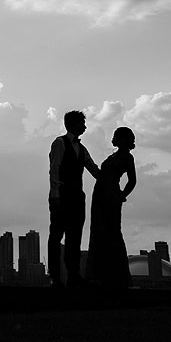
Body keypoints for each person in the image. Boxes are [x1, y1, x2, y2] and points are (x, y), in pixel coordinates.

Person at [47, 110, 101, 288]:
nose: (85, 126)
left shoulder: (82, 148)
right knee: (56, 236)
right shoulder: (59, 143)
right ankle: (55, 277)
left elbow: (93, 169)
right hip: (62, 195)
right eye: (82, 123)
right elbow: (54, 169)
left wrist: (109, 180)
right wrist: (55, 195)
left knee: (75, 237)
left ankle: (73, 276)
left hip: (77, 197)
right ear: (73, 124)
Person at [85, 126, 137, 288]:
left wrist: (122, 195)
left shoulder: (127, 157)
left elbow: (132, 180)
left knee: (112, 232)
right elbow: (101, 175)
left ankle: (117, 277)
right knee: (98, 233)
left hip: (111, 196)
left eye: (116, 135)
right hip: (99, 195)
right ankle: (98, 276)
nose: (112, 137)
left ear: (123, 139)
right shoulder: (113, 156)